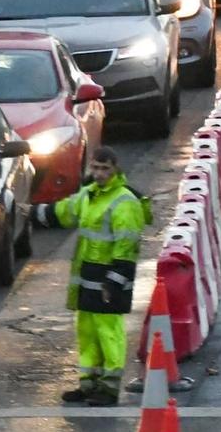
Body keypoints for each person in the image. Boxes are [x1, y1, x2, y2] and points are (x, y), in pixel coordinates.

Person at [33, 148, 151, 404]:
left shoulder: (124, 202)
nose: (99, 173)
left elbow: (127, 246)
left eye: (105, 169)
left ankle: (108, 388)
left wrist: (115, 281)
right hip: (88, 276)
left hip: (109, 278)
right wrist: (31, 214)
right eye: (96, 168)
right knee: (87, 332)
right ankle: (88, 384)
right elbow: (65, 212)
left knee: (109, 334)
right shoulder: (89, 195)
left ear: (116, 169)